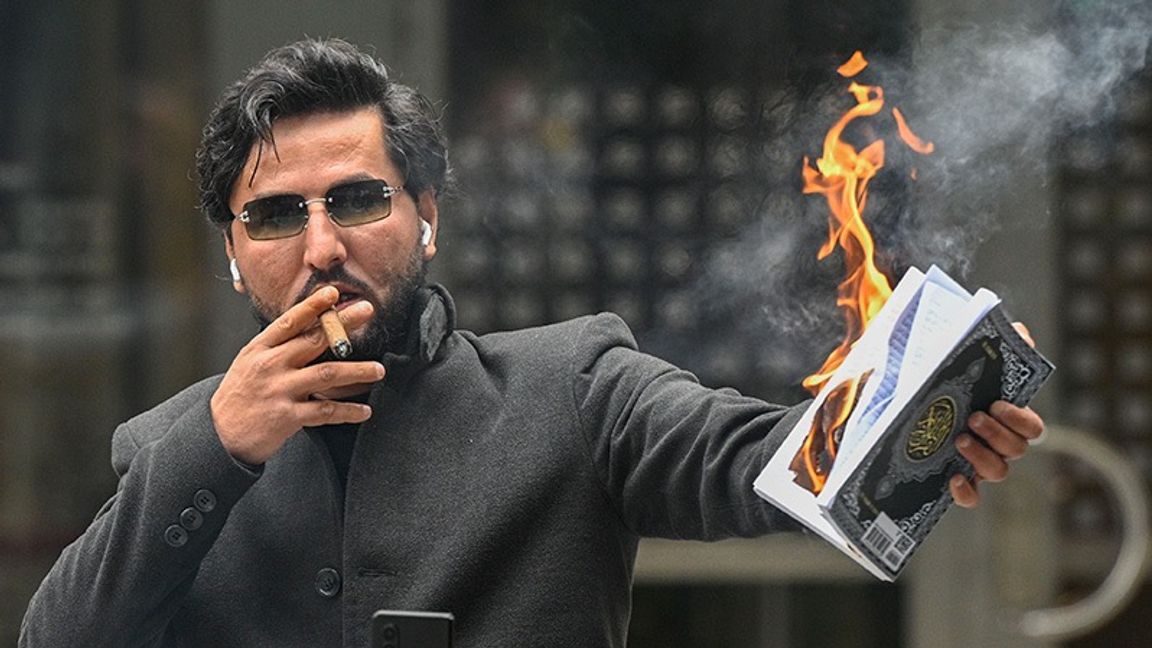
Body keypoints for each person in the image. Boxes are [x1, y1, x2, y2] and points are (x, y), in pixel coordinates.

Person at [20, 39, 1044, 647]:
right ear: (234, 257)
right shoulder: (168, 449)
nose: (323, 244)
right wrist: (220, 442)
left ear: (428, 216)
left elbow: (758, 462)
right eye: (277, 216)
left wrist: (923, 413)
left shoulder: (575, 388)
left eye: (359, 198)